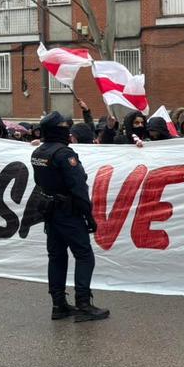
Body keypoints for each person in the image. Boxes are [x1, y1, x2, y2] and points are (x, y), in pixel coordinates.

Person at [31, 112, 107, 322]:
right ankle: (83, 303)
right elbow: (78, 187)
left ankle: (58, 304)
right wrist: (88, 216)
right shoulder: (65, 154)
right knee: (84, 255)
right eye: (64, 127)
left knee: (56, 256)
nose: (67, 131)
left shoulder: (37, 152)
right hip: (68, 212)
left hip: (50, 210)